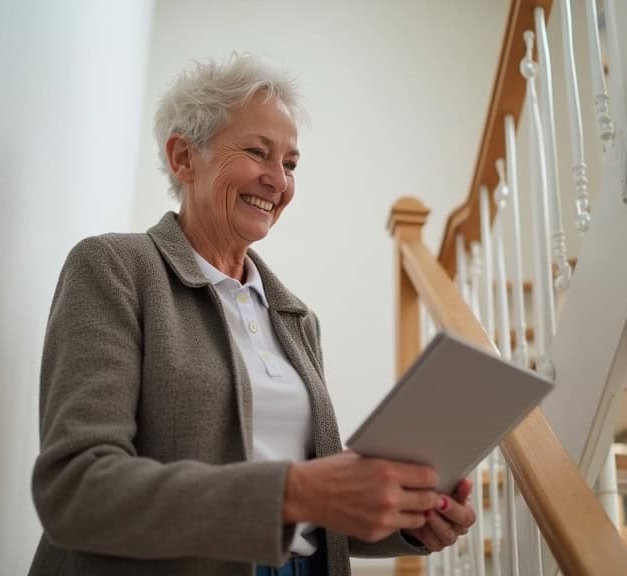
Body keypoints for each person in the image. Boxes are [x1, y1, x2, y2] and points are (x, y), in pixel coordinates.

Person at [28, 54, 475, 576]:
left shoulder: (296, 320)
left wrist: (405, 517)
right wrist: (293, 490)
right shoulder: (115, 269)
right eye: (258, 153)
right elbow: (76, 489)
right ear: (183, 157)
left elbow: (308, 519)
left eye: (290, 164)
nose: (278, 181)